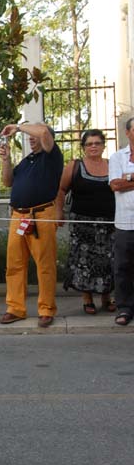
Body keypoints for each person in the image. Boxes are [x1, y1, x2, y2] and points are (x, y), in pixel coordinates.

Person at [0, 122, 63, 329]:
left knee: (45, 265)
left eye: (35, 134)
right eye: (30, 135)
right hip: (19, 216)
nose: (32, 137)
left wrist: (18, 127)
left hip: (42, 215)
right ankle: (15, 308)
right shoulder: (27, 161)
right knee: (14, 264)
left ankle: (46, 309)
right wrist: (6, 160)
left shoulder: (52, 156)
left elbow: (43, 131)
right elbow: (8, 181)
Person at [57, 129, 115, 314]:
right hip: (82, 224)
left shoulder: (113, 164)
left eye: (97, 143)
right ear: (83, 147)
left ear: (103, 146)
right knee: (84, 262)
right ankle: (87, 298)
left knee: (108, 260)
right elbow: (61, 190)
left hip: (109, 223)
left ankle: (107, 298)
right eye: (89, 144)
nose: (93, 147)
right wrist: (59, 212)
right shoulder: (74, 165)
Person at [109, 117, 134, 326]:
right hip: (125, 222)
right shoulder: (117, 157)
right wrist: (126, 180)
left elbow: (122, 181)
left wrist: (128, 178)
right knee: (123, 267)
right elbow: (115, 185)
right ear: (128, 133)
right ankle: (125, 308)